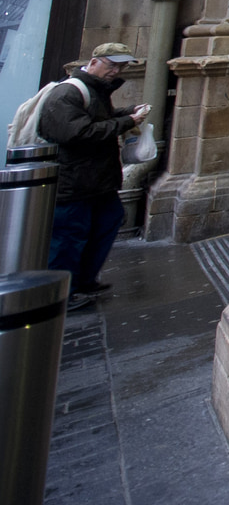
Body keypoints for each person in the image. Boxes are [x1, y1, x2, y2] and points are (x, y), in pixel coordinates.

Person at [41, 43, 150, 307]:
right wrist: (126, 122)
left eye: (121, 66)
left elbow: (98, 119)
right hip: (75, 182)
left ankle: (83, 281)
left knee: (107, 222)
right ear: (93, 62)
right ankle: (61, 293)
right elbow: (76, 133)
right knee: (68, 237)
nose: (116, 71)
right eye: (111, 65)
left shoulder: (95, 91)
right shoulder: (67, 92)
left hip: (96, 181)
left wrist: (127, 112)